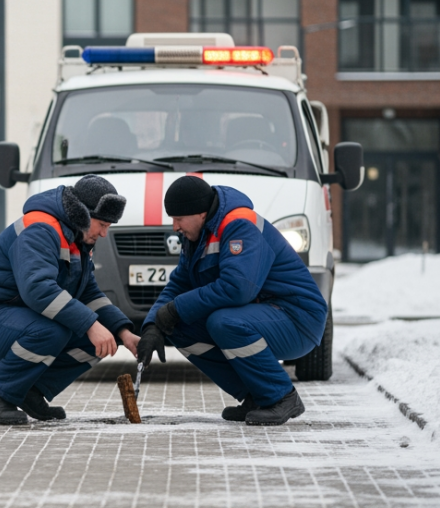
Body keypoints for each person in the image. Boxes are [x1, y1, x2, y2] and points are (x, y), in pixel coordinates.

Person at [137, 176, 328, 426]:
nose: (175, 227)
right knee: (179, 327)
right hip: (265, 313)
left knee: (223, 322)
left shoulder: (240, 224)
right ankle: (257, 395)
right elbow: (178, 284)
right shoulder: (197, 237)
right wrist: (154, 325)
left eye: (179, 219)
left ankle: (281, 397)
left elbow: (238, 288)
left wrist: (176, 308)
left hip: (298, 318)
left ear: (201, 213)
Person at [0, 176, 138, 425]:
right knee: (52, 331)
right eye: (102, 224)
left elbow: (88, 293)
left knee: (102, 338)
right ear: (82, 213)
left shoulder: (76, 237)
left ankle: (30, 390)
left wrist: (123, 332)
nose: (104, 233)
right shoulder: (40, 229)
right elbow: (38, 289)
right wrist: (90, 324)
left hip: (15, 314)